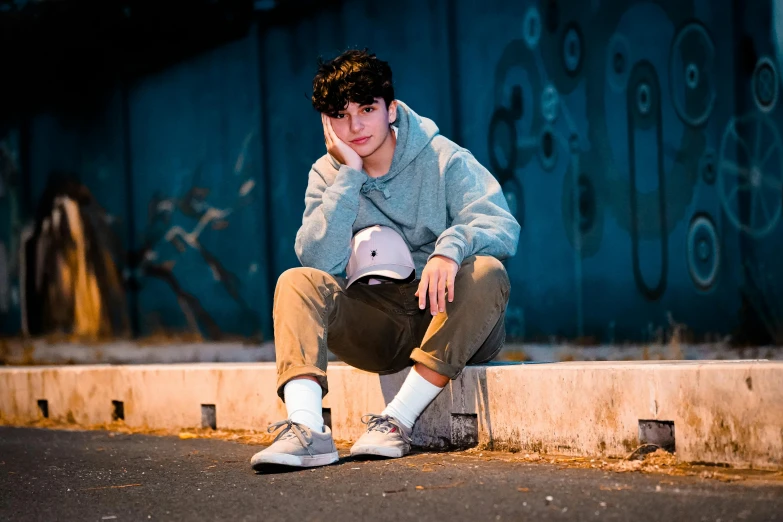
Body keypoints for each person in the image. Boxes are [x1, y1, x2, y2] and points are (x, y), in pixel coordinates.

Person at [250, 48, 520, 470]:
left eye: (367, 109)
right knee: (295, 281)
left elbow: (501, 225)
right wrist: (350, 175)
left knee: (487, 270)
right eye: (340, 114)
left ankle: (397, 419)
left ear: (390, 109)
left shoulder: (443, 158)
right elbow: (319, 261)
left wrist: (450, 250)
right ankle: (306, 429)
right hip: (383, 328)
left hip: (453, 318)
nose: (355, 126)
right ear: (326, 123)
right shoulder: (327, 174)